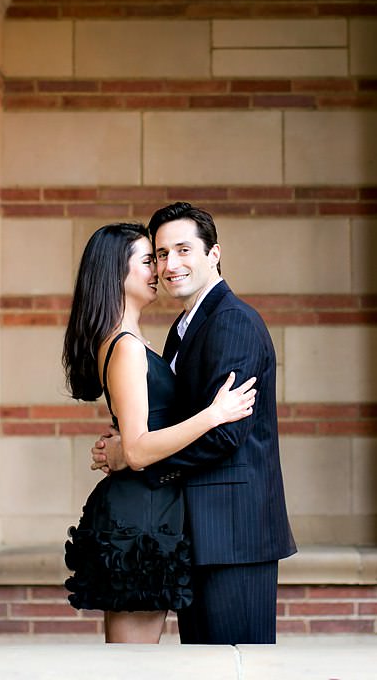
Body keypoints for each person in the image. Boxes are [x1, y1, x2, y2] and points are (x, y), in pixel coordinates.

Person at [92, 202, 296, 645]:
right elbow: (182, 420)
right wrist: (132, 442)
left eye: (183, 250)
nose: (170, 264)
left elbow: (225, 433)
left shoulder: (233, 322)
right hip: (197, 532)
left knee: (235, 667)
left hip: (233, 535)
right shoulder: (184, 328)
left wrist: (134, 456)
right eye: (161, 254)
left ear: (214, 254)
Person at [62, 222, 258, 644]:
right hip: (140, 515)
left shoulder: (134, 341)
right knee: (132, 666)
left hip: (153, 507)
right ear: (117, 272)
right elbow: (136, 449)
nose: (160, 269)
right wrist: (213, 414)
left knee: (137, 661)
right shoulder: (127, 346)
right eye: (149, 260)